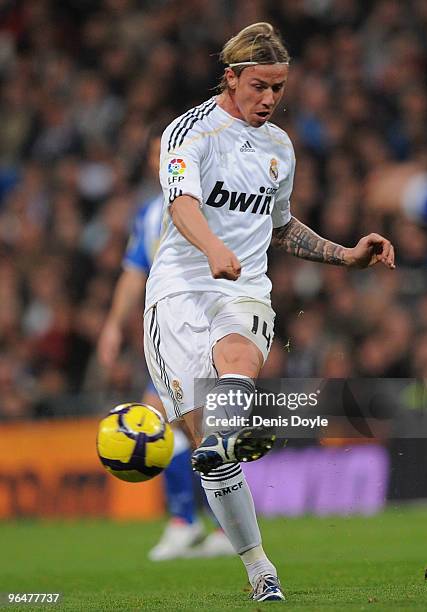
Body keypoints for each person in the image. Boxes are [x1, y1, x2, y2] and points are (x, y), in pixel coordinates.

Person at [143, 22, 395, 602]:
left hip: (245, 288)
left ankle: (226, 435)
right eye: (259, 86)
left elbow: (279, 227)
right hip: (179, 292)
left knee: (237, 356)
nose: (269, 99)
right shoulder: (190, 132)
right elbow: (181, 203)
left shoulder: (280, 147)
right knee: (212, 460)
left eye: (279, 88)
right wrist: (212, 249)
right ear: (230, 78)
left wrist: (346, 255)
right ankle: (258, 565)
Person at [97, 131, 233, 561]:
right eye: (159, 155)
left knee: (179, 422)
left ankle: (195, 523)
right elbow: (134, 272)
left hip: (206, 327)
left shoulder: (213, 202)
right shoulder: (150, 213)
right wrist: (114, 326)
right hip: (166, 330)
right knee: (176, 424)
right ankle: (202, 525)